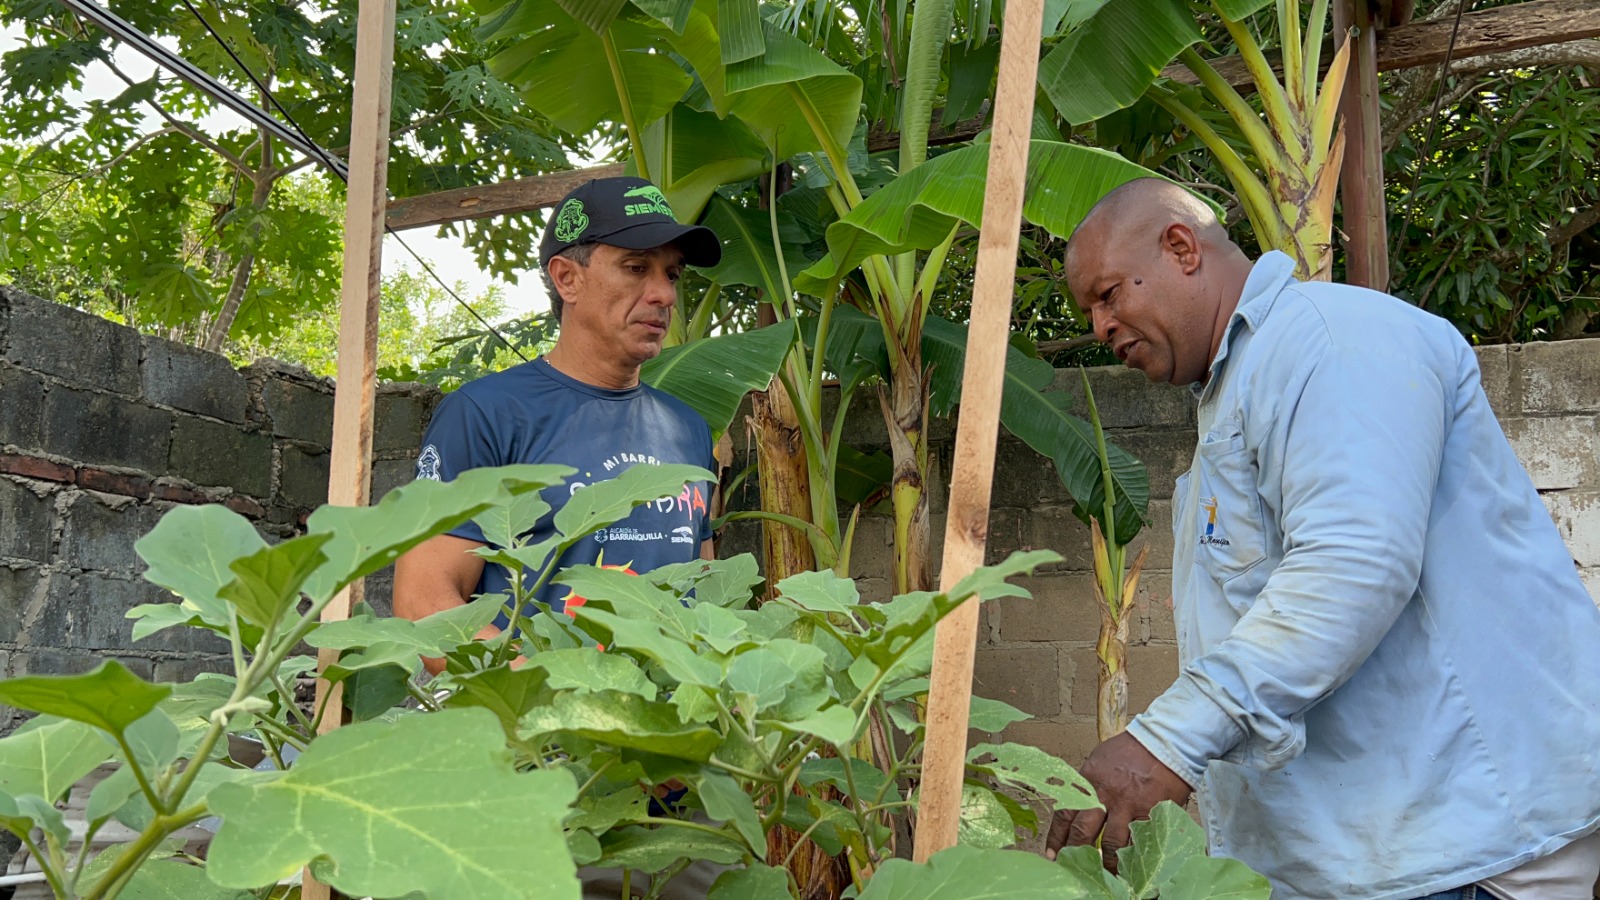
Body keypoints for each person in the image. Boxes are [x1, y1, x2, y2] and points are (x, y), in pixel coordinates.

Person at [1045, 178, 1600, 899]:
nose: (1099, 326)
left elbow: (1355, 563)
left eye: (1109, 293)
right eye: (1089, 309)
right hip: (1385, 857)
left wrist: (1166, 742)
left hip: (1466, 855)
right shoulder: (1237, 390)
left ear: (1181, 247)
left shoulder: (1335, 341)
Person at [394, 175, 723, 665]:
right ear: (568, 278)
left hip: (672, 728)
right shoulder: (487, 414)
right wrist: (557, 692)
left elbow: (703, 591)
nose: (664, 294)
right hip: (531, 728)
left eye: (671, 275)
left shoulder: (689, 430)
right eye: (636, 267)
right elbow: (424, 605)